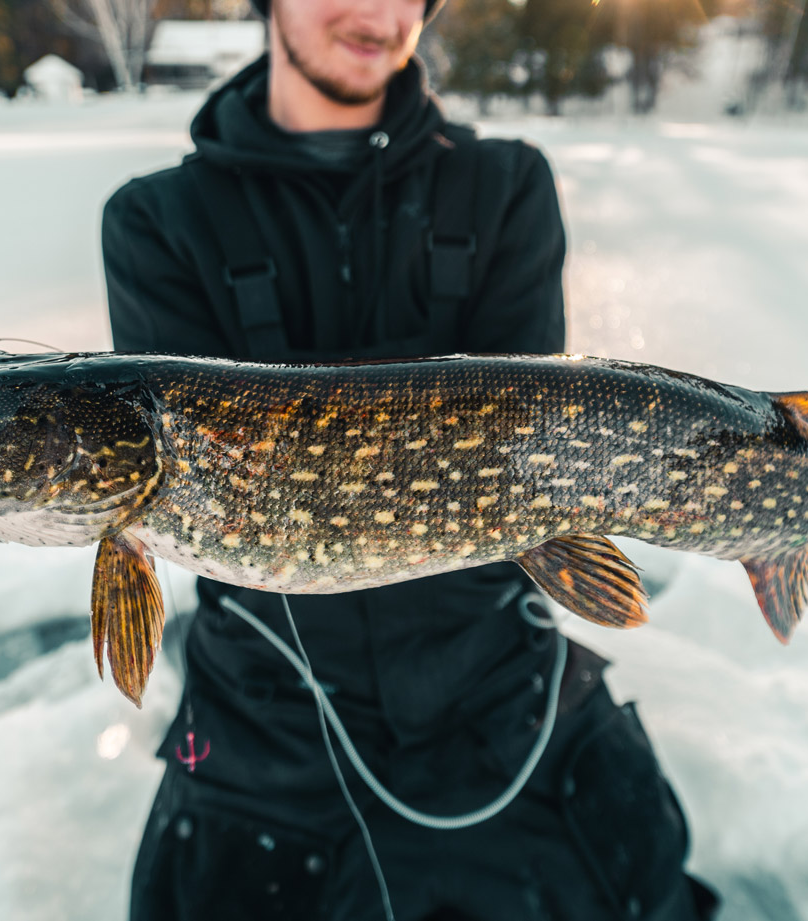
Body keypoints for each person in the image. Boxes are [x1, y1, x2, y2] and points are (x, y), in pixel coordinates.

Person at [101, 0, 720, 916]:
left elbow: (530, 447)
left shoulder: (503, 185)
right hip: (266, 700)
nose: (382, 13)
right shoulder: (157, 219)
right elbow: (177, 473)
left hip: (492, 681)